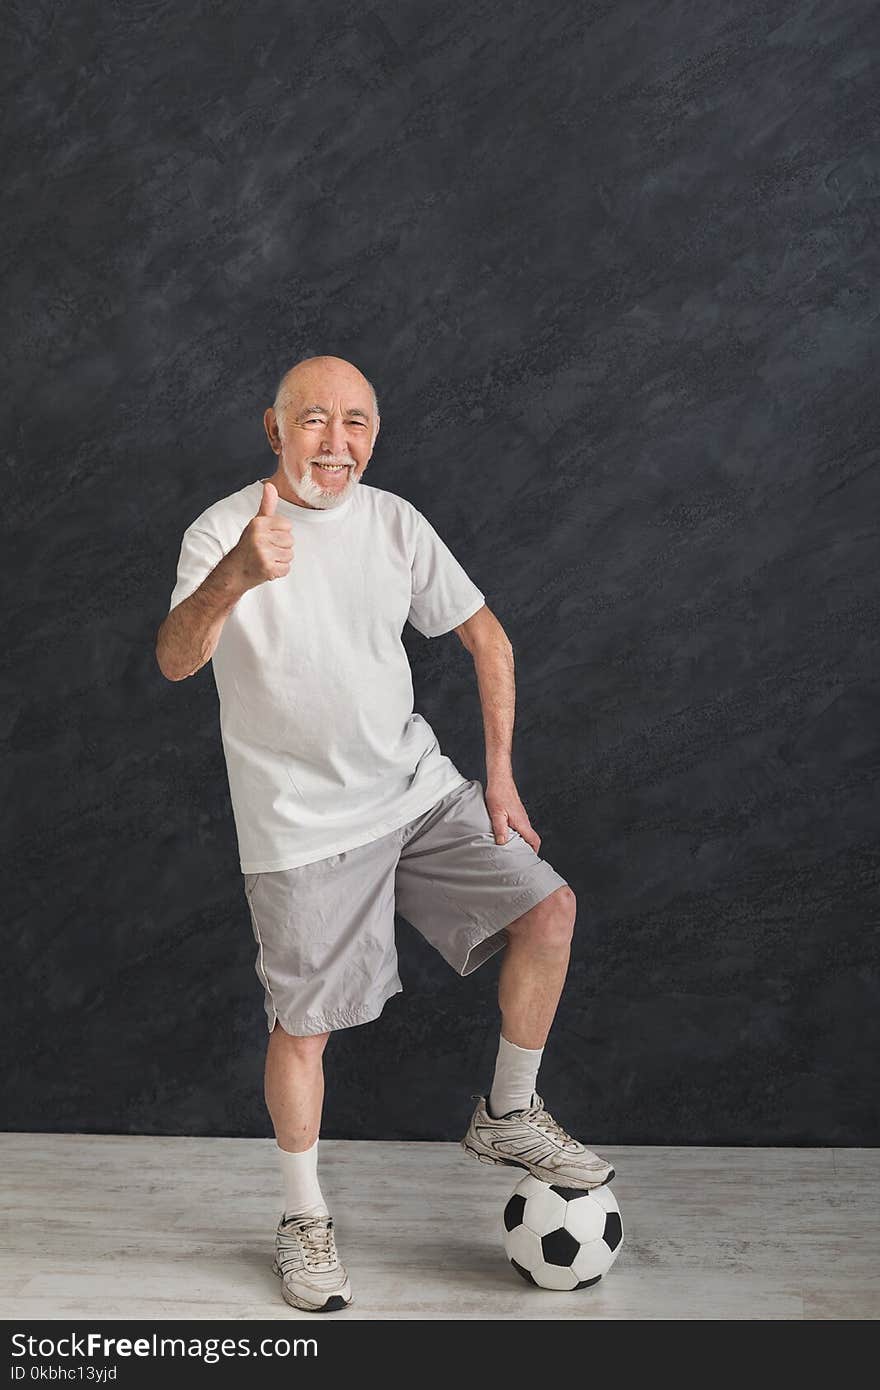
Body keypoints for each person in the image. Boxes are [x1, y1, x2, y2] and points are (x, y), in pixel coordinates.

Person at [156, 354, 614, 1314]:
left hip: (413, 793)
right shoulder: (221, 529)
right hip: (298, 825)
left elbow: (490, 639)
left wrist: (497, 777)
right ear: (273, 429)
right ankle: (303, 1218)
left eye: (356, 422)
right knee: (303, 1028)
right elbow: (174, 659)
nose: (338, 441)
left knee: (550, 909)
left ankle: (510, 1112)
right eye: (314, 420)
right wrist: (238, 573)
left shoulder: (395, 521)